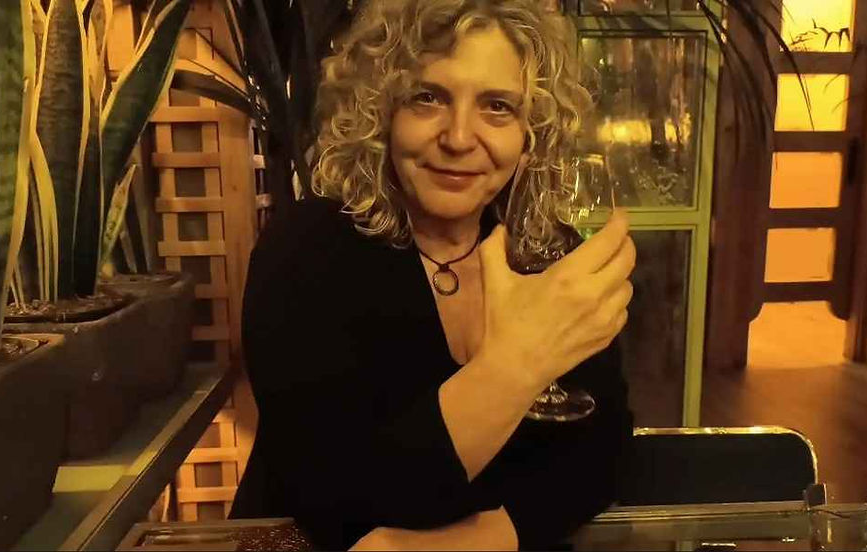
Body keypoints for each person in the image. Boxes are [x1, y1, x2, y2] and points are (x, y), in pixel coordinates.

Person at [229, 0, 636, 549]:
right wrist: (517, 365)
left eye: (497, 107)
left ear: (532, 132)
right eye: (428, 98)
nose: (460, 138)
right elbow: (337, 492)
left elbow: (602, 453)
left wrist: (484, 539)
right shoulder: (304, 251)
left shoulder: (549, 251)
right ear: (379, 113)